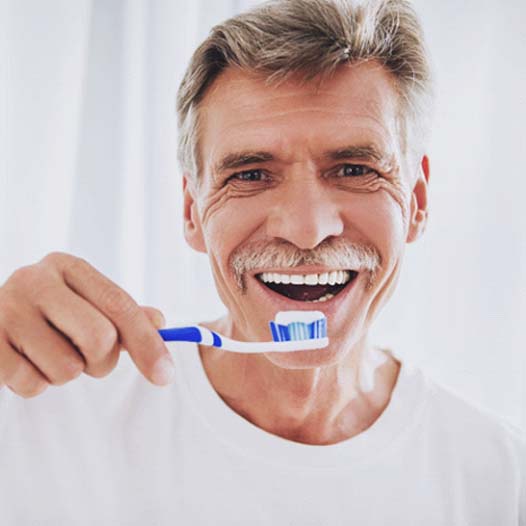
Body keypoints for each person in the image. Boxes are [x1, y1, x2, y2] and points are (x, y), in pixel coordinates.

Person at [0, 0, 524, 524]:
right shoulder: (45, 416)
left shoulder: (500, 480)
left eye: (353, 167)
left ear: (417, 201)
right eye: (250, 175)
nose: (305, 228)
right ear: (192, 211)